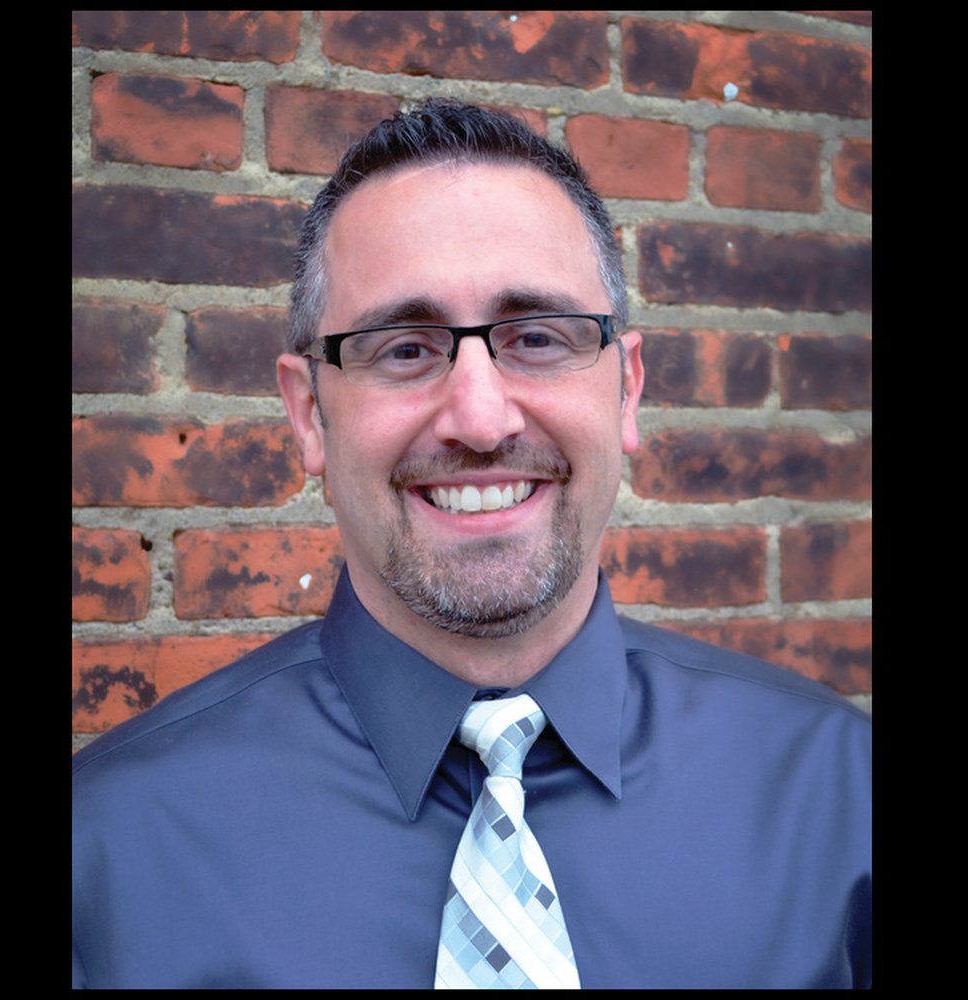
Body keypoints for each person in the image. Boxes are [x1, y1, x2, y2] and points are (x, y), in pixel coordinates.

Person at [72, 100, 871, 989]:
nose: (482, 420)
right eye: (404, 349)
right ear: (309, 415)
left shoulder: (838, 796)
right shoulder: (109, 851)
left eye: (537, 337)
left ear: (627, 389)